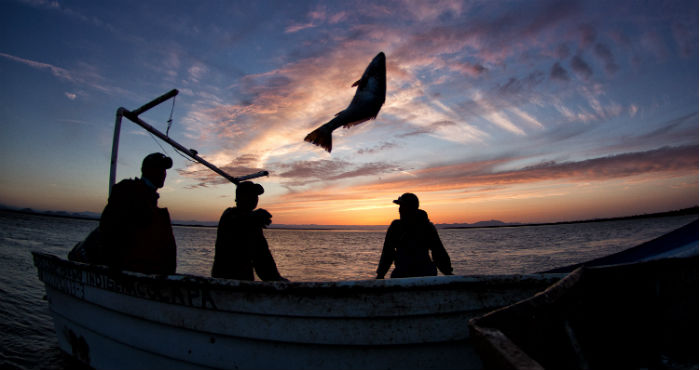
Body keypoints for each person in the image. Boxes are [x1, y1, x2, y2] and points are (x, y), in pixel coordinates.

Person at [97, 152, 177, 274]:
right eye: (159, 168)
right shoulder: (128, 192)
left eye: (164, 170)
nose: (163, 173)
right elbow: (109, 230)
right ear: (147, 170)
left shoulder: (150, 201)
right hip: (127, 272)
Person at [211, 181, 287, 281]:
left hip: (245, 281)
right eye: (250, 195)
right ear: (239, 198)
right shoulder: (229, 216)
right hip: (224, 280)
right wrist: (254, 217)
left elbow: (262, 259)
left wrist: (277, 281)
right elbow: (239, 221)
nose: (254, 198)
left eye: (255, 195)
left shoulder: (254, 224)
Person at [376, 193, 453, 279]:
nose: (399, 209)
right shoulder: (396, 226)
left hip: (424, 274)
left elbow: (438, 252)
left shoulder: (426, 227)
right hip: (404, 273)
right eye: (400, 206)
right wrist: (380, 274)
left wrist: (448, 273)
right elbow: (388, 253)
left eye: (403, 206)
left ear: (412, 208)